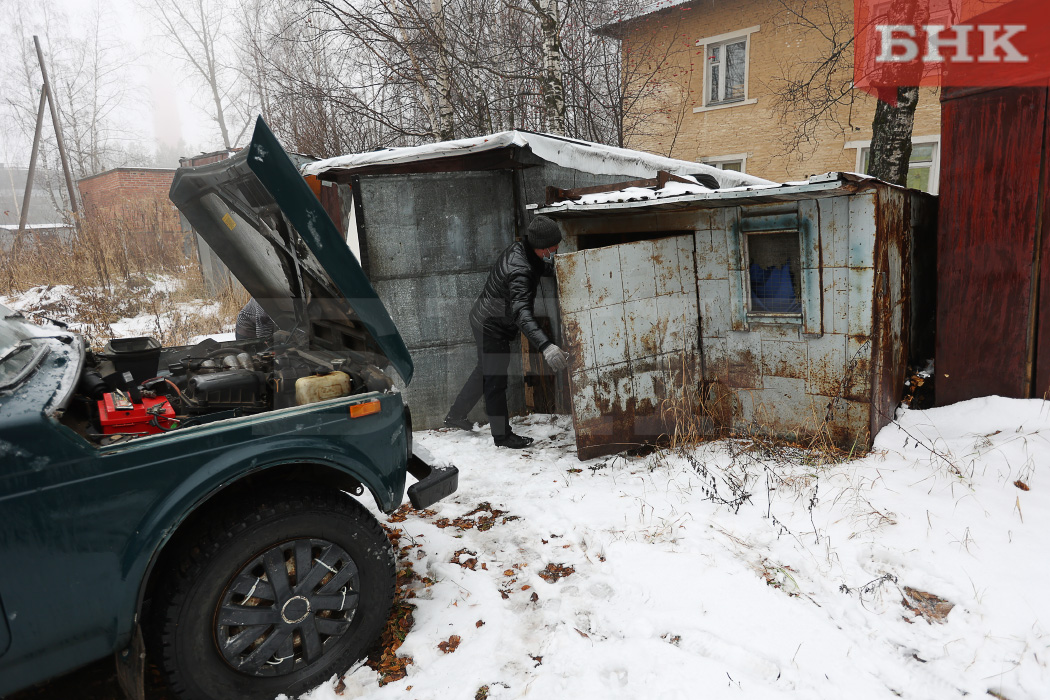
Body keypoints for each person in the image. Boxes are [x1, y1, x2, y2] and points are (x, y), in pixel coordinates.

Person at [444, 215, 570, 448]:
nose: (555, 252)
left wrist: (559, 270)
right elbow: (521, 313)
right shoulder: (520, 271)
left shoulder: (522, 250)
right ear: (540, 247)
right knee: (495, 381)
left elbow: (537, 265)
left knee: (485, 370)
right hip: (492, 327)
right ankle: (502, 436)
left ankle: (455, 415)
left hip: (484, 317)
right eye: (552, 249)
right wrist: (546, 345)